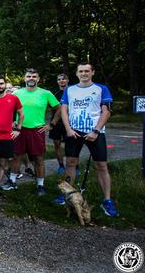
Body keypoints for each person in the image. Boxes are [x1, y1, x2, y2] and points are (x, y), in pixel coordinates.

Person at [58, 63, 118, 217]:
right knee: (71, 162)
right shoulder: (70, 90)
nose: (84, 73)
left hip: (95, 131)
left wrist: (96, 130)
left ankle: (107, 200)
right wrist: (68, 129)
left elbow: (106, 111)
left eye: (87, 71)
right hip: (74, 132)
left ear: (92, 72)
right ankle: (66, 195)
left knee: (101, 165)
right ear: (77, 74)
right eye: (81, 71)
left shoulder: (101, 88)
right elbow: (64, 110)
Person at [12, 68, 60, 196]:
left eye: (34, 76)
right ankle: (12, 181)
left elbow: (59, 108)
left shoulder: (46, 93)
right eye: (29, 76)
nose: (31, 78)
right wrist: (12, 121)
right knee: (16, 155)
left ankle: (40, 185)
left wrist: (52, 124)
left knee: (38, 158)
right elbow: (9, 108)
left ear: (38, 79)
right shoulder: (16, 93)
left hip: (37, 129)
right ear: (25, 78)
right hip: (20, 129)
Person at [50, 74, 69, 174]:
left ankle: (75, 166)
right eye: (59, 79)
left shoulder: (72, 92)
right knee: (57, 144)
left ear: (67, 80)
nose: (61, 81)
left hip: (69, 122)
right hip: (56, 122)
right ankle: (61, 165)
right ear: (57, 81)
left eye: (63, 79)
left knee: (70, 145)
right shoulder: (54, 94)